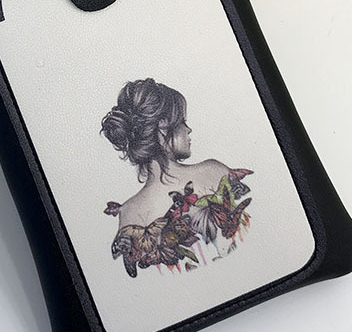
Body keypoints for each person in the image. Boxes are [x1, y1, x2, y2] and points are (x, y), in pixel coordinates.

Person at [101, 78, 252, 278]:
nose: (188, 130)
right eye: (182, 122)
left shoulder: (129, 212)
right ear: (162, 129)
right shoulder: (212, 172)